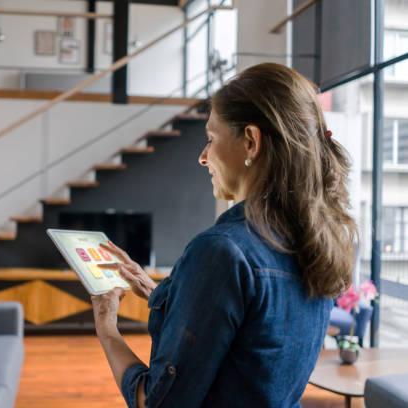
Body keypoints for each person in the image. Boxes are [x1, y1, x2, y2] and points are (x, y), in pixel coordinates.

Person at [91, 62, 358, 408]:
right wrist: (158, 293)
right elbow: (250, 346)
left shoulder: (221, 251)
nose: (203, 157)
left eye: (211, 138)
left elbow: (156, 403)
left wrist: (107, 328)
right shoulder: (318, 240)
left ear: (250, 141)